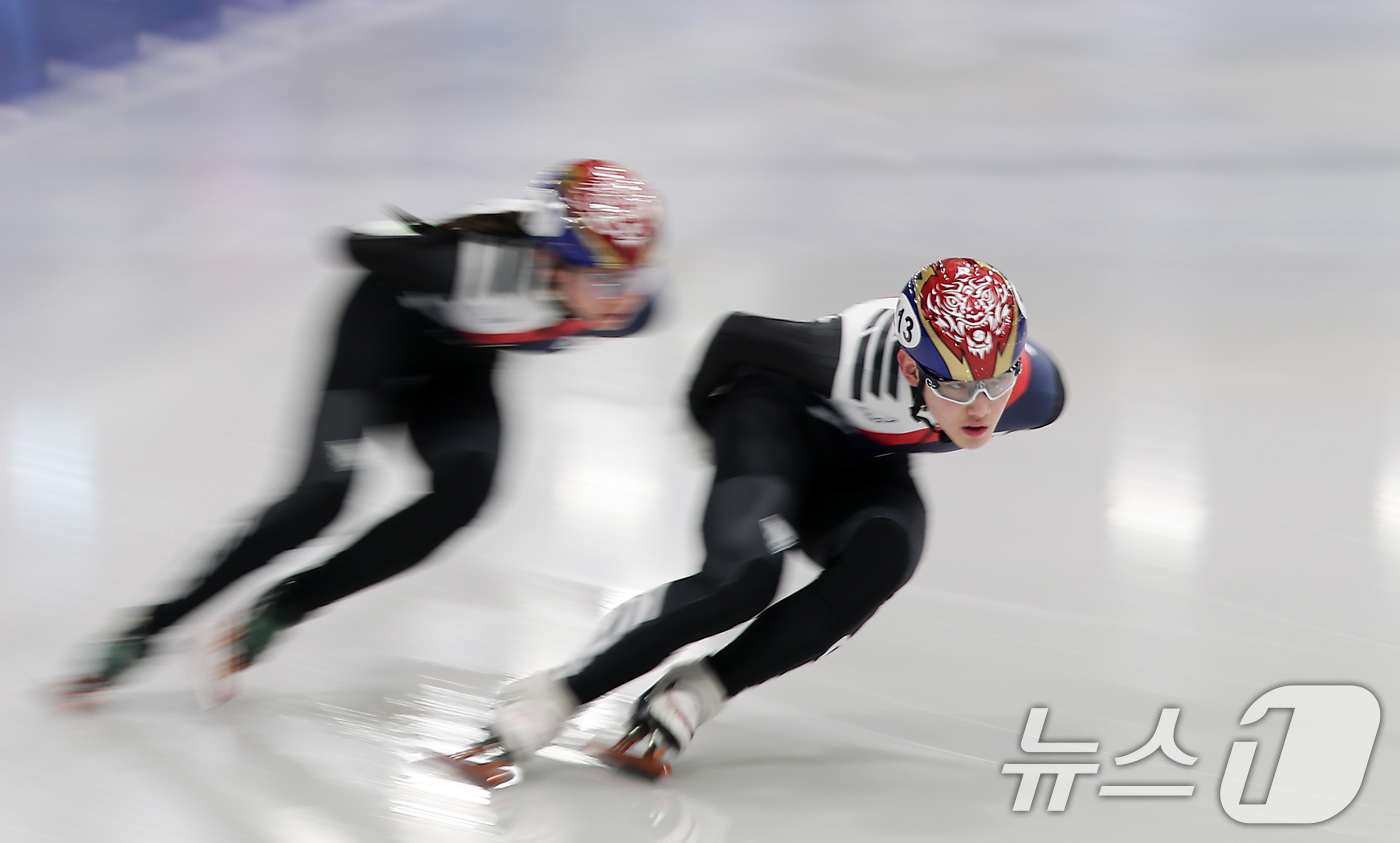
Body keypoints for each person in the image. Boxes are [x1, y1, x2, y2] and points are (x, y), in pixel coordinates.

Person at [56, 159, 666, 705]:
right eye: (605, 280)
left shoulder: (630, 309)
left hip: (455, 371)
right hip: (376, 344)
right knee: (321, 500)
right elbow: (355, 243)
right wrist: (434, 246)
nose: (621, 300)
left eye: (632, 278)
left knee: (465, 489)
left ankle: (285, 606)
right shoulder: (477, 266)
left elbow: (621, 297)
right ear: (551, 259)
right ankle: (150, 627)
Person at [451, 257, 1066, 780]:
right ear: (909, 368)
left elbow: (1001, 389)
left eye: (996, 383)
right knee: (745, 581)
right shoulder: (842, 357)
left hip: (858, 463)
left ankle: (700, 689)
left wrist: (978, 386)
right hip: (770, 424)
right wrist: (709, 424)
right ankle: (554, 693)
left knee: (887, 553)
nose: (980, 408)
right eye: (956, 388)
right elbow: (737, 334)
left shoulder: (1030, 394)